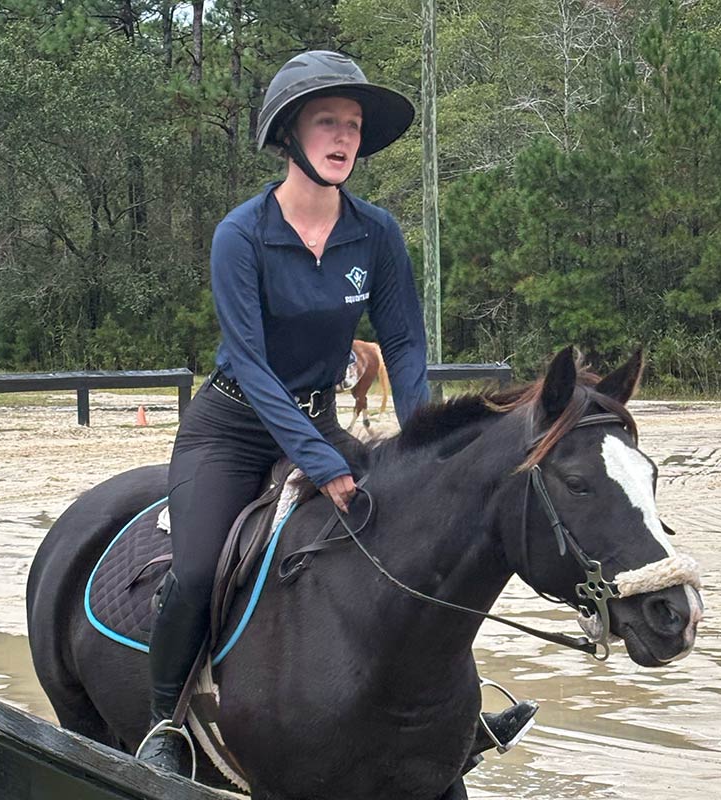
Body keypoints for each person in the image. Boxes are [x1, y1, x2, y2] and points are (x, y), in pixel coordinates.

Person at [138, 50, 536, 777]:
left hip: (319, 418)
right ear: (289, 132)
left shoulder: (375, 233)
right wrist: (323, 464)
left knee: (414, 540)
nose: (343, 136)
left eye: (352, 124)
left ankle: (445, 713)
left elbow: (406, 343)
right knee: (196, 571)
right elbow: (251, 368)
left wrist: (425, 446)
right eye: (327, 121)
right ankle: (165, 724)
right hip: (230, 427)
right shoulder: (241, 235)